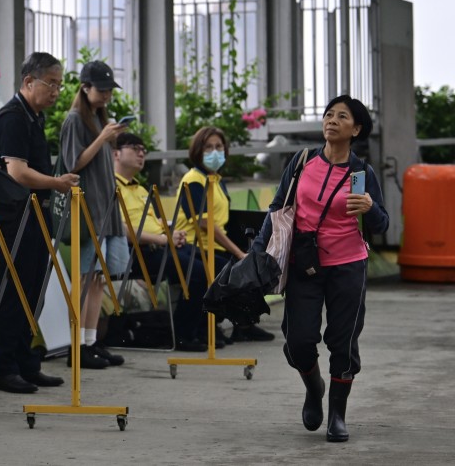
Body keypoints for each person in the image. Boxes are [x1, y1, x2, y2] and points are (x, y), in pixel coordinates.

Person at [252, 95, 388, 443]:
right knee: (298, 341)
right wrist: (257, 254)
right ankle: (314, 388)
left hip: (348, 266)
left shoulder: (361, 173)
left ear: (355, 129)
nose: (331, 120)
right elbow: (277, 208)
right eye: (329, 115)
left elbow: (382, 224)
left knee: (343, 342)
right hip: (304, 264)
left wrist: (370, 208)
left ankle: (337, 415)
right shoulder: (302, 162)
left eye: (342, 117)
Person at [0, 52, 80, 394]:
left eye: (59, 84)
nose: (56, 91)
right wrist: (57, 183)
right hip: (12, 219)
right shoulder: (12, 118)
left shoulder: (33, 117)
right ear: (28, 82)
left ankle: (26, 362)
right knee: (13, 291)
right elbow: (17, 172)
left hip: (34, 216)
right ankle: (3, 367)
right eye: (50, 83)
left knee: (33, 291)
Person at [174, 125, 276, 346]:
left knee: (253, 266)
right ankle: (196, 331)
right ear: (197, 151)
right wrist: (238, 252)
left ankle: (242, 326)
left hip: (212, 246)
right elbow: (204, 223)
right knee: (230, 271)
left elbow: (223, 220)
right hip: (193, 245)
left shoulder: (216, 180)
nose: (214, 152)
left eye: (218, 146)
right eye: (208, 147)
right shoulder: (194, 180)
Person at [57, 60, 127, 369]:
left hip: (104, 208)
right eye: (102, 90)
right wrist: (101, 138)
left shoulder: (99, 118)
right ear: (85, 88)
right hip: (87, 211)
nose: (107, 95)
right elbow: (73, 163)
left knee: (98, 277)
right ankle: (78, 345)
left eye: (110, 90)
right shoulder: (75, 120)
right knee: (86, 277)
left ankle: (90, 340)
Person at [113, 132, 211, 352]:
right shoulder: (111, 187)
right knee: (197, 271)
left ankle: (203, 330)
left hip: (159, 245)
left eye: (143, 150)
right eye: (135, 148)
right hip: (135, 252)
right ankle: (184, 335)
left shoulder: (138, 188)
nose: (141, 153)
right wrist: (163, 238)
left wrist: (170, 230)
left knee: (213, 262)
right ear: (115, 153)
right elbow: (122, 229)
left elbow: (151, 220)